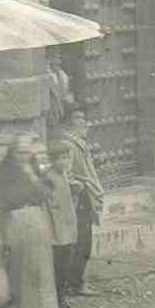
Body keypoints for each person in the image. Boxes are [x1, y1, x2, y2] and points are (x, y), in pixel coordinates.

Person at [0, 135, 58, 308]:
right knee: (21, 271)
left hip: (37, 223)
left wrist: (33, 177)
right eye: (19, 153)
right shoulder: (1, 172)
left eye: (27, 153)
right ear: (11, 152)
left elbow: (46, 193)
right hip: (15, 223)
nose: (24, 157)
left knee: (40, 269)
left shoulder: (34, 169)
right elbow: (1, 199)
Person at [60, 105, 104, 297]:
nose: (83, 123)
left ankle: (75, 282)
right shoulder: (68, 144)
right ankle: (75, 283)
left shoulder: (78, 142)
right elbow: (66, 173)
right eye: (78, 118)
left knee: (83, 241)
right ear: (68, 122)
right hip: (78, 199)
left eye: (84, 118)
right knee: (81, 242)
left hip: (83, 196)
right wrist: (78, 186)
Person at [46, 140, 78, 308]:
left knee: (65, 267)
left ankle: (63, 299)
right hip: (56, 231)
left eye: (66, 158)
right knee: (57, 269)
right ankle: (57, 303)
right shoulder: (49, 177)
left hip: (66, 228)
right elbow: (51, 206)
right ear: (52, 160)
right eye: (59, 159)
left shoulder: (65, 175)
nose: (64, 162)